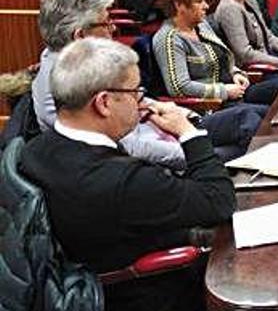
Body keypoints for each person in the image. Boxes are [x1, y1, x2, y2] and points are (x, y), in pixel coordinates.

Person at [20, 37, 235, 311]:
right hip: (152, 289)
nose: (140, 102)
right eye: (135, 93)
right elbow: (220, 201)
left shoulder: (35, 149)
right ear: (104, 103)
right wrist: (188, 133)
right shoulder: (123, 181)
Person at [32, 0, 185, 170]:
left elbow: (136, 98)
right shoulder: (65, 85)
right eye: (106, 23)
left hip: (160, 127)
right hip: (147, 161)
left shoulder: (70, 59)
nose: (113, 28)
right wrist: (192, 148)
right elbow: (129, 147)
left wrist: (184, 117)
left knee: (229, 125)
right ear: (80, 35)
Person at [153, 0, 278, 107]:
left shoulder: (201, 24)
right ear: (179, 6)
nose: (206, 6)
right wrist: (223, 91)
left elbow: (223, 59)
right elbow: (179, 87)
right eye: (199, 2)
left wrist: (235, 73)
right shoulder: (169, 39)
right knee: (266, 115)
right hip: (212, 106)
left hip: (235, 92)